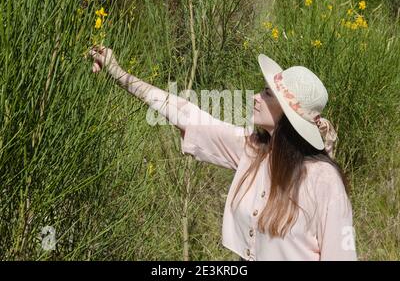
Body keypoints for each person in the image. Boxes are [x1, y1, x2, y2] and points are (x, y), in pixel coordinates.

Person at [88, 46, 357, 261]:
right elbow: (185, 113)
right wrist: (119, 74)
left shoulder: (324, 182)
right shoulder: (253, 151)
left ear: (288, 115)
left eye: (267, 94)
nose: (255, 97)